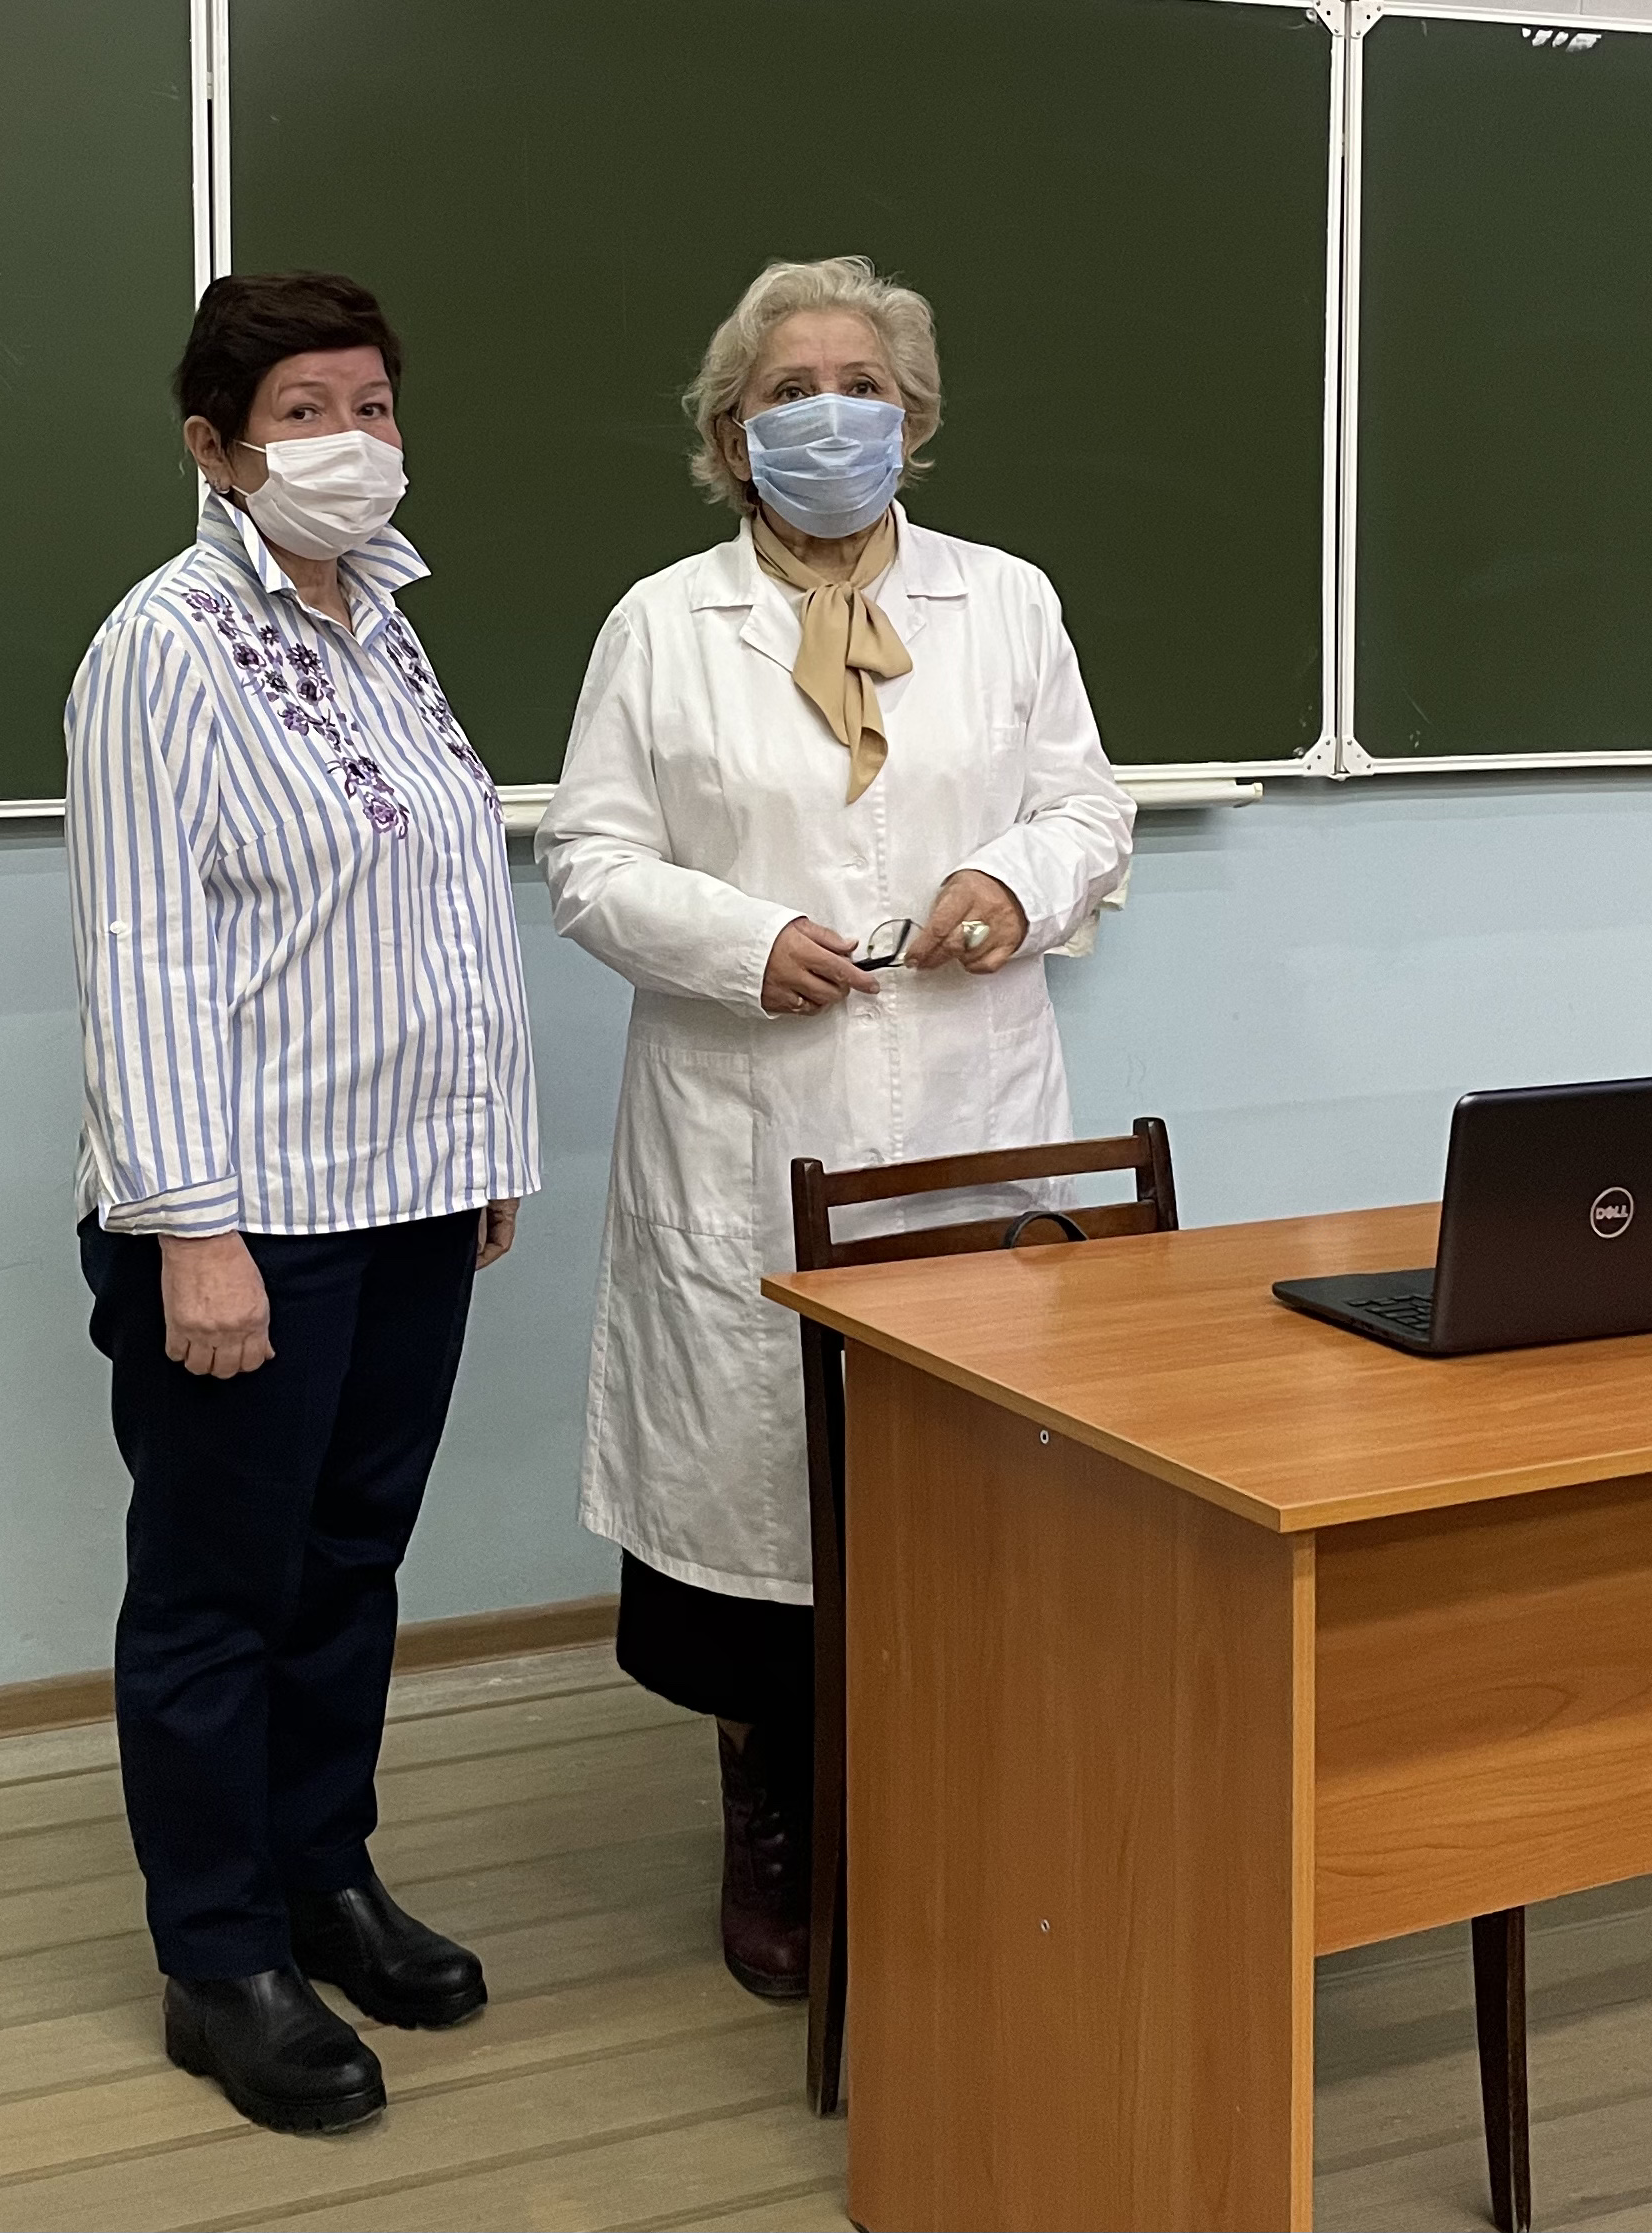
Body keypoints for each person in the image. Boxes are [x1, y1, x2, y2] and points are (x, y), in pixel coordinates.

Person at [536, 255, 1135, 1998]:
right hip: (749, 1110)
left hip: (966, 1108)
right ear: (732, 437)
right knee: (759, 1482)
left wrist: (1011, 882)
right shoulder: (665, 624)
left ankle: (946, 1797)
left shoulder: (1006, 602)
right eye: (788, 389)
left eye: (860, 382)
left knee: (965, 1486)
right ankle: (774, 1810)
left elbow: (1086, 808)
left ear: (913, 417)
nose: (829, 413)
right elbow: (589, 859)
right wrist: (741, 941)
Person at [65, 270, 538, 2135]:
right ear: (216, 445)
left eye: (375, 406)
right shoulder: (164, 646)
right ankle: (217, 1955)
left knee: (349, 1562)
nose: (354, 442)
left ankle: (322, 1876)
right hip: (246, 1217)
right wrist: (193, 1226)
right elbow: (144, 951)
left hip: (410, 1190)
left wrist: (483, 1148)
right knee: (217, 1591)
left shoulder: (384, 624)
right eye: (306, 412)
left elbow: (438, 901)